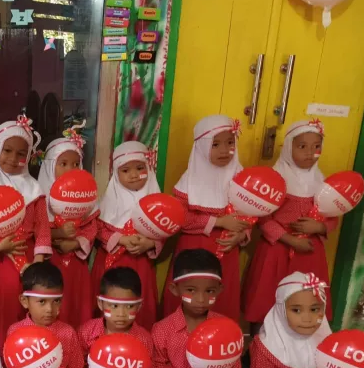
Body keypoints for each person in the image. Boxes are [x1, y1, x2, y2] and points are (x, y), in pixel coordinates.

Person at [0, 115, 52, 341]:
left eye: (21, 154)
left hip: (26, 263)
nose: (13, 159)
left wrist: (37, 263)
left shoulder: (34, 189)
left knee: (21, 309)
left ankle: (21, 353)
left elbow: (43, 228)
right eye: (7, 151)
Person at [243, 120, 336, 326]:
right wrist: (290, 240)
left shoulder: (323, 183)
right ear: (288, 147)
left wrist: (320, 227)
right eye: (302, 146)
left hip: (310, 253)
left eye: (316, 147)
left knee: (305, 298)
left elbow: (332, 215)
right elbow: (263, 218)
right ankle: (261, 341)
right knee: (268, 296)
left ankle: (301, 340)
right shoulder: (275, 179)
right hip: (277, 251)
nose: (310, 153)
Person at [162, 116, 250, 322]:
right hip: (193, 249)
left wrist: (241, 235)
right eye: (216, 144)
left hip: (226, 252)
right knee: (190, 295)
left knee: (220, 298)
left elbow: (250, 214)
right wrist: (218, 222)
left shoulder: (243, 179)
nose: (224, 150)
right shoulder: (189, 180)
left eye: (230, 143)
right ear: (202, 146)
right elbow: (181, 218)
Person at [91, 141, 163, 330]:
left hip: (141, 266)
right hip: (110, 265)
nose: (133, 175)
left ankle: (140, 342)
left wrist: (150, 243)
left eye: (140, 168)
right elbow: (98, 230)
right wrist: (121, 239)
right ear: (116, 173)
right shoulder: (108, 201)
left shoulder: (157, 201)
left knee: (139, 308)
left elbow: (165, 231)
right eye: (125, 170)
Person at [37, 126, 98, 329]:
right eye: (63, 164)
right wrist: (58, 233)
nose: (70, 169)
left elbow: (92, 228)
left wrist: (76, 243)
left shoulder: (86, 197)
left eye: (76, 164)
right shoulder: (39, 198)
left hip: (76, 266)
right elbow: (35, 230)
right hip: (50, 263)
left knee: (76, 303)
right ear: (50, 166)